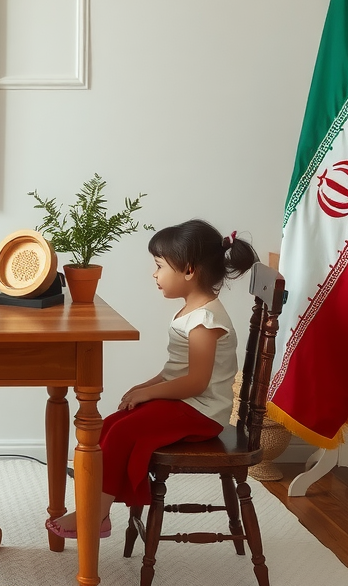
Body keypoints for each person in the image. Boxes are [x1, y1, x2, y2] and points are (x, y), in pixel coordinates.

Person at [47, 220, 258, 539]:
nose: (154, 274)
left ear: (188, 270)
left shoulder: (206, 320)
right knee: (110, 426)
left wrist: (151, 395)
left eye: (159, 266)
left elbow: (196, 382)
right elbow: (177, 369)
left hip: (202, 412)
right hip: (186, 403)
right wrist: (146, 386)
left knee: (124, 432)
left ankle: (96, 515)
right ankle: (92, 503)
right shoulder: (191, 310)